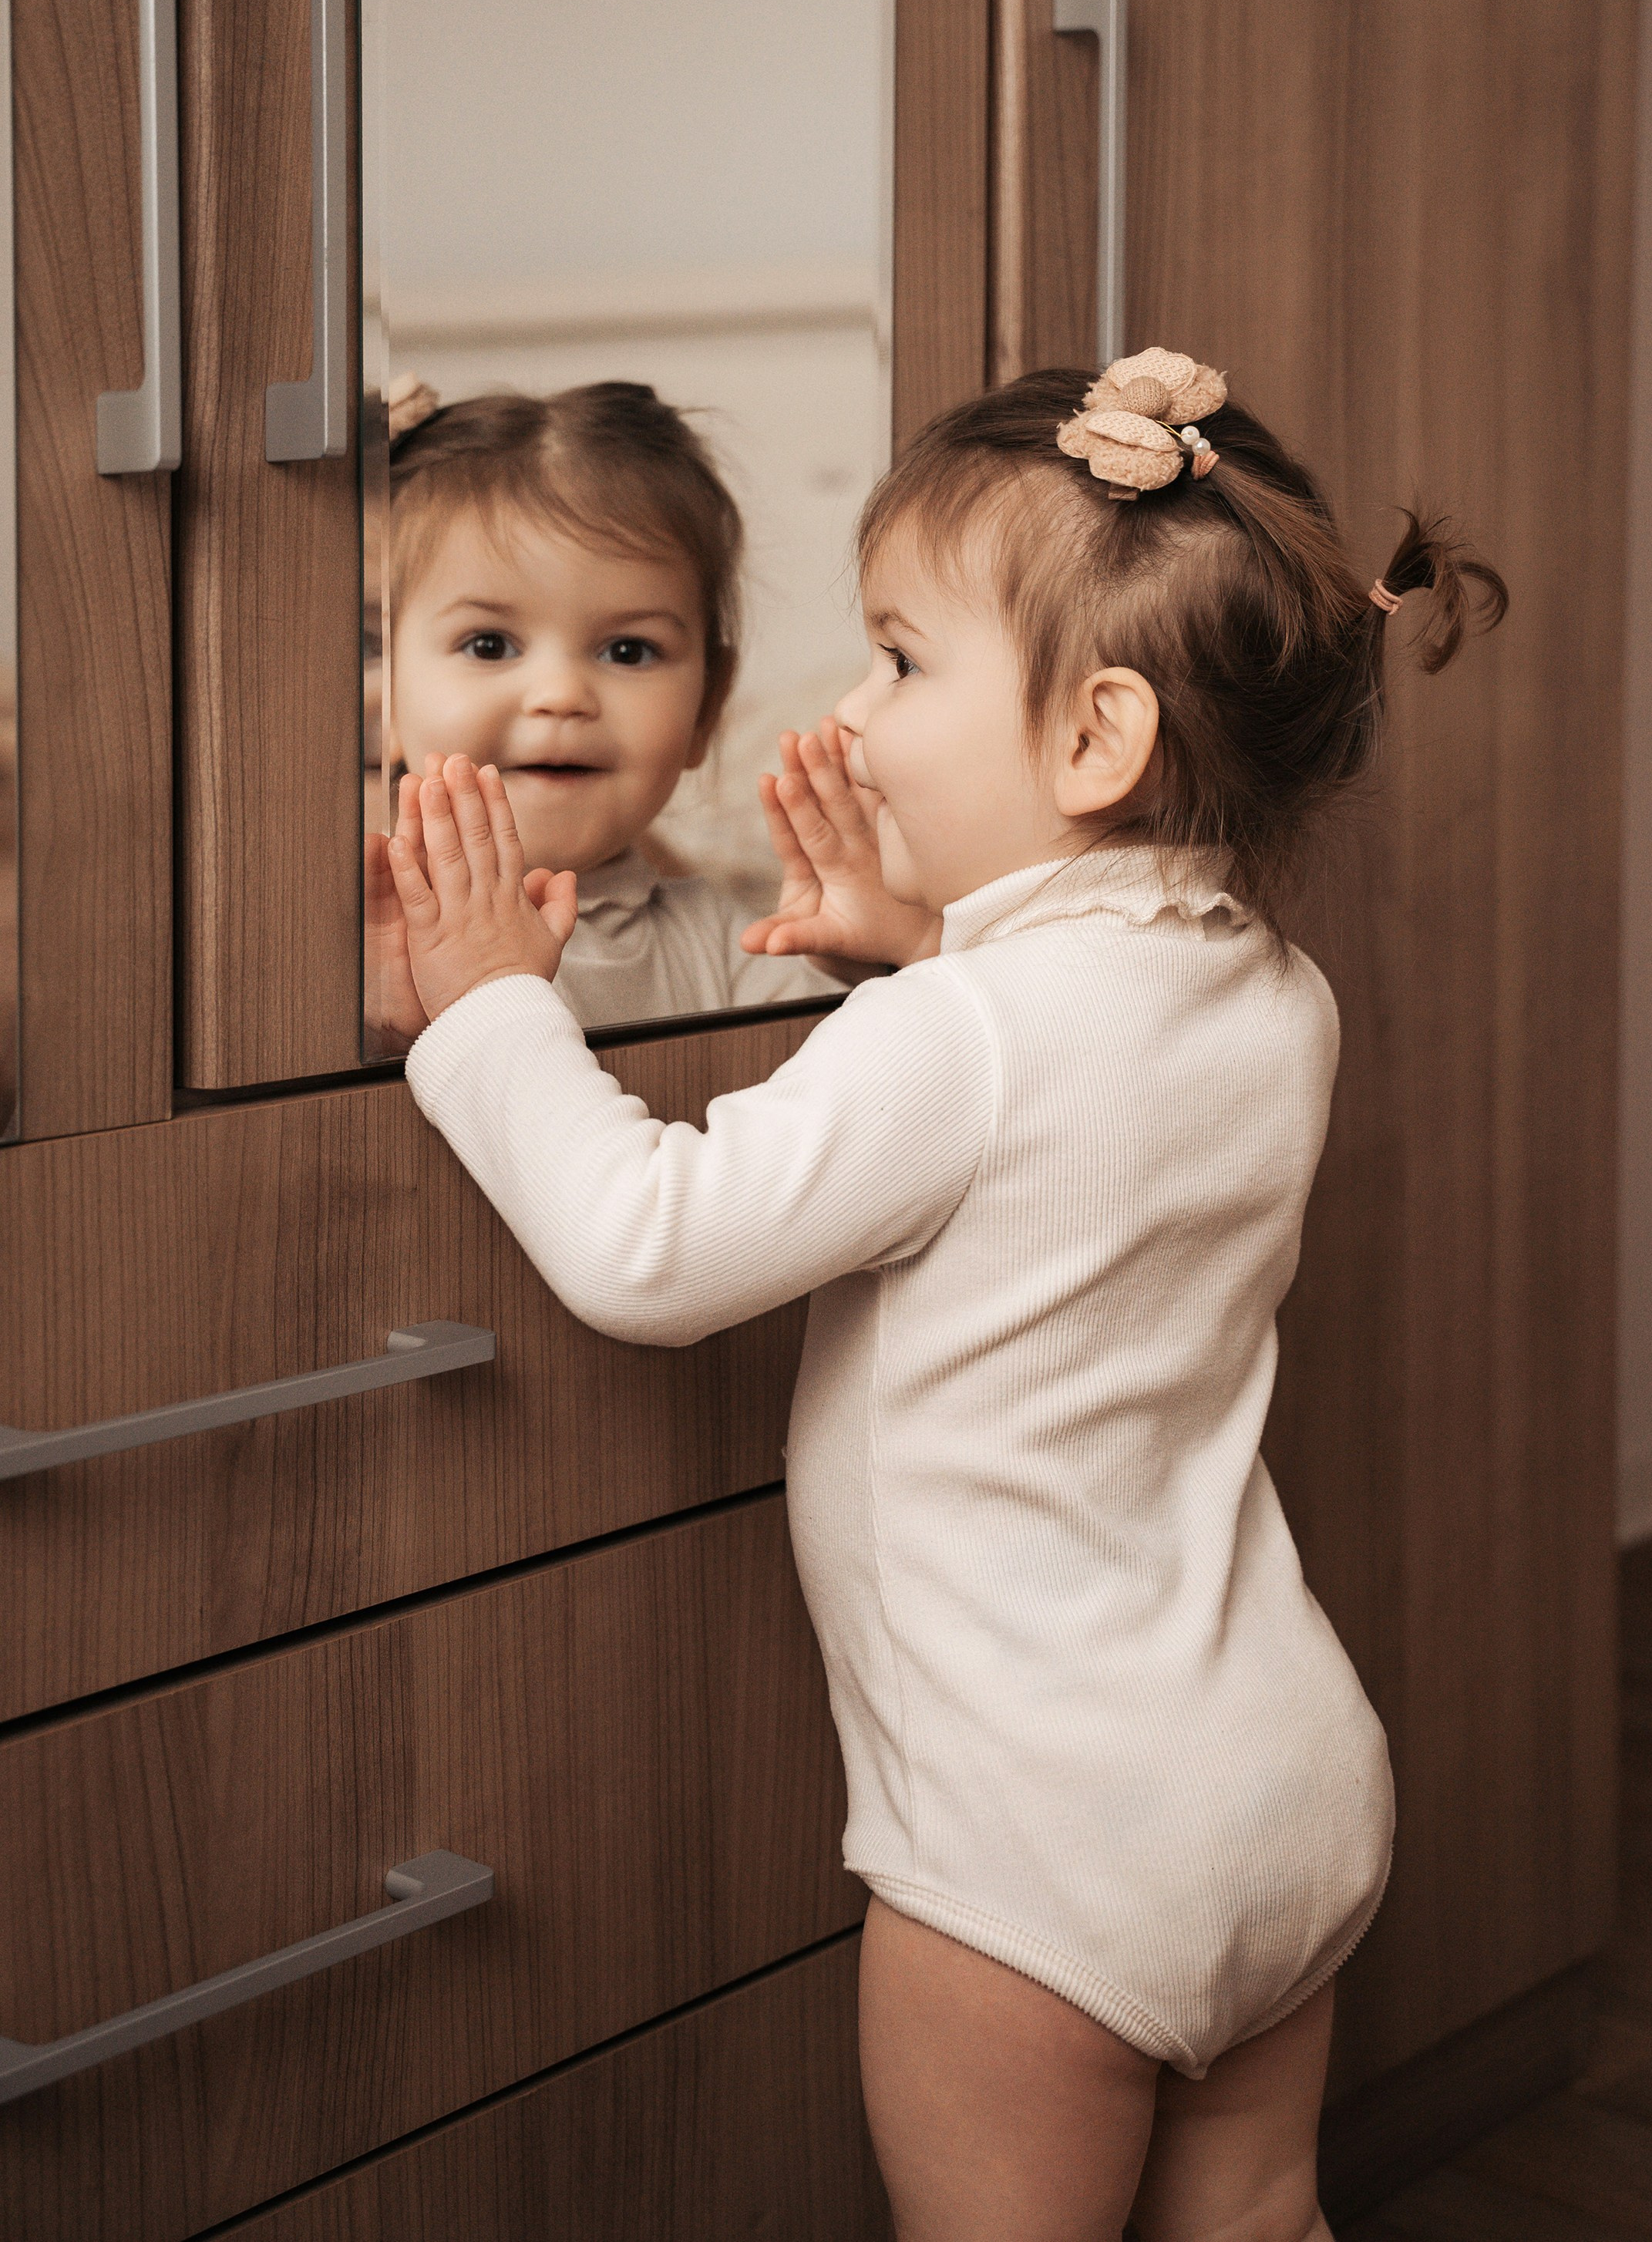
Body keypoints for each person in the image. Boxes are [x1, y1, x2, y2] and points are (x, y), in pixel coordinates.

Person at [384, 349, 1508, 2241]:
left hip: (1039, 1859)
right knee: (1253, 2221)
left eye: (902, 661)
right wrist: (918, 946)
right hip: (1284, 1777)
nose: (859, 710)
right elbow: (1088, 1139)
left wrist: (494, 997)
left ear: (1093, 744)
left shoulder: (962, 1040)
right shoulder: (1268, 988)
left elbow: (647, 1246)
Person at [365, 379, 836, 1041]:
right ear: (381, 698)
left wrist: (873, 956)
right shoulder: (354, 936)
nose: (561, 694)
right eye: (490, 644)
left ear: (708, 707)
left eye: (628, 650)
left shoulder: (729, 945)